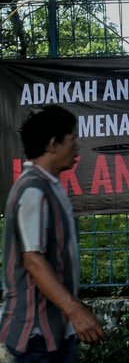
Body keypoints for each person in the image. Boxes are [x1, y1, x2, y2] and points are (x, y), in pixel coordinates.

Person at [0, 105, 105, 362]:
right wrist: (76, 312)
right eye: (72, 138)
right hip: (34, 337)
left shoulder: (49, 186)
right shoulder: (33, 192)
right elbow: (34, 261)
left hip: (54, 333)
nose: (77, 145)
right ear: (52, 144)